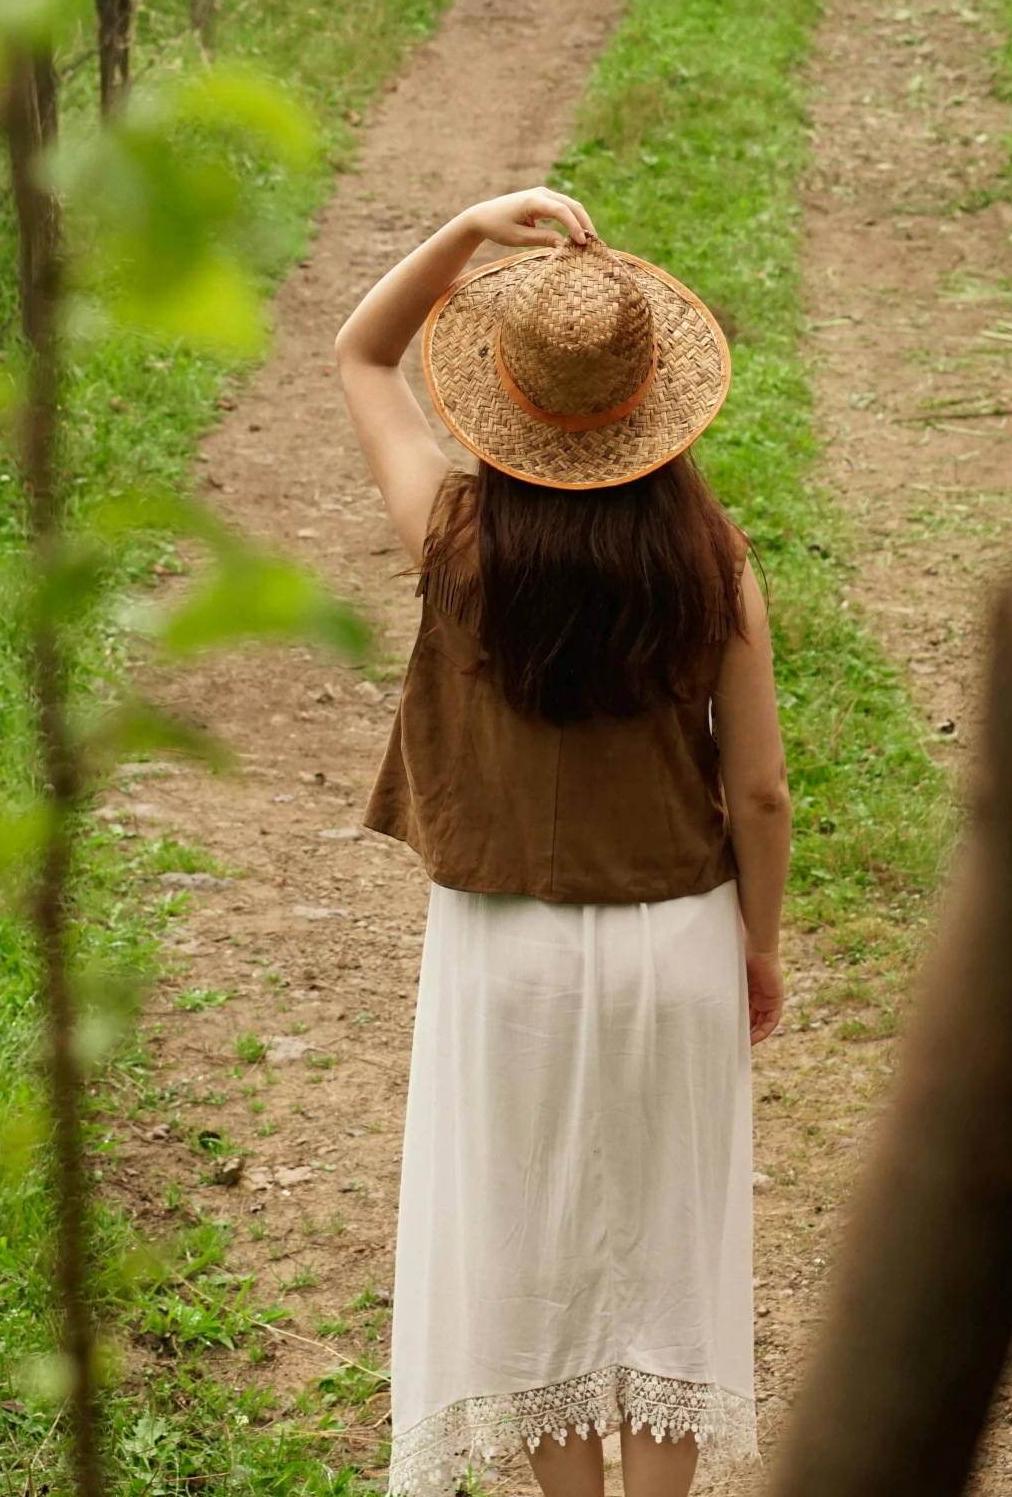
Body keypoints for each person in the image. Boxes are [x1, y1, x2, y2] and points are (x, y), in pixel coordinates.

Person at [335, 186, 792, 1497]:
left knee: (526, 1252)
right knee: (662, 1263)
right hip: (674, 942)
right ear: (653, 399)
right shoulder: (713, 558)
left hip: (504, 953)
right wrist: (757, 947)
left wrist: (474, 226)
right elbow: (758, 793)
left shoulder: (451, 537)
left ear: (507, 399)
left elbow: (359, 352)